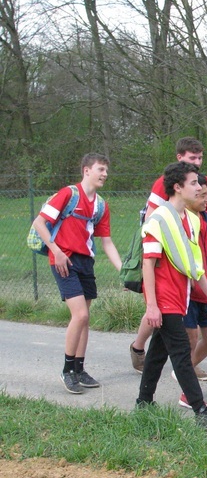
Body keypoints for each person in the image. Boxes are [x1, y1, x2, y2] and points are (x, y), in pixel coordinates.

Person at [135, 161, 207, 428]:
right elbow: (148, 264)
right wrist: (152, 305)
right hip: (164, 299)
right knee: (180, 354)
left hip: (181, 296)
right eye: (194, 183)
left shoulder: (192, 220)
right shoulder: (158, 219)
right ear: (177, 187)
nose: (200, 187)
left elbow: (194, 263)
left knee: (157, 352)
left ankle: (143, 402)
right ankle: (200, 410)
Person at [130, 137, 207, 376]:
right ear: (180, 158)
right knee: (160, 311)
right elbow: (152, 219)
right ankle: (139, 347)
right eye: (192, 158)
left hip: (193, 253)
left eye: (200, 158)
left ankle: (182, 366)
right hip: (168, 255)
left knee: (178, 322)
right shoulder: (166, 183)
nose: (197, 162)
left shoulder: (203, 184)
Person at [31, 153, 122, 394]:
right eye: (100, 169)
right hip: (62, 260)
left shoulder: (101, 205)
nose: (104, 174)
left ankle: (80, 370)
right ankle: (67, 370)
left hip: (85, 262)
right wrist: (56, 251)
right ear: (86, 171)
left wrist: (124, 272)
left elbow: (108, 243)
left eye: (106, 171)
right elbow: (40, 223)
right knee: (79, 315)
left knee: (85, 317)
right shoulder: (68, 194)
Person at [176, 174, 207, 408]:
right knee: (190, 339)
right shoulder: (180, 219)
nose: (205, 200)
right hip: (187, 292)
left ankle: (183, 370)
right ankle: (188, 390)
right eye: (201, 195)